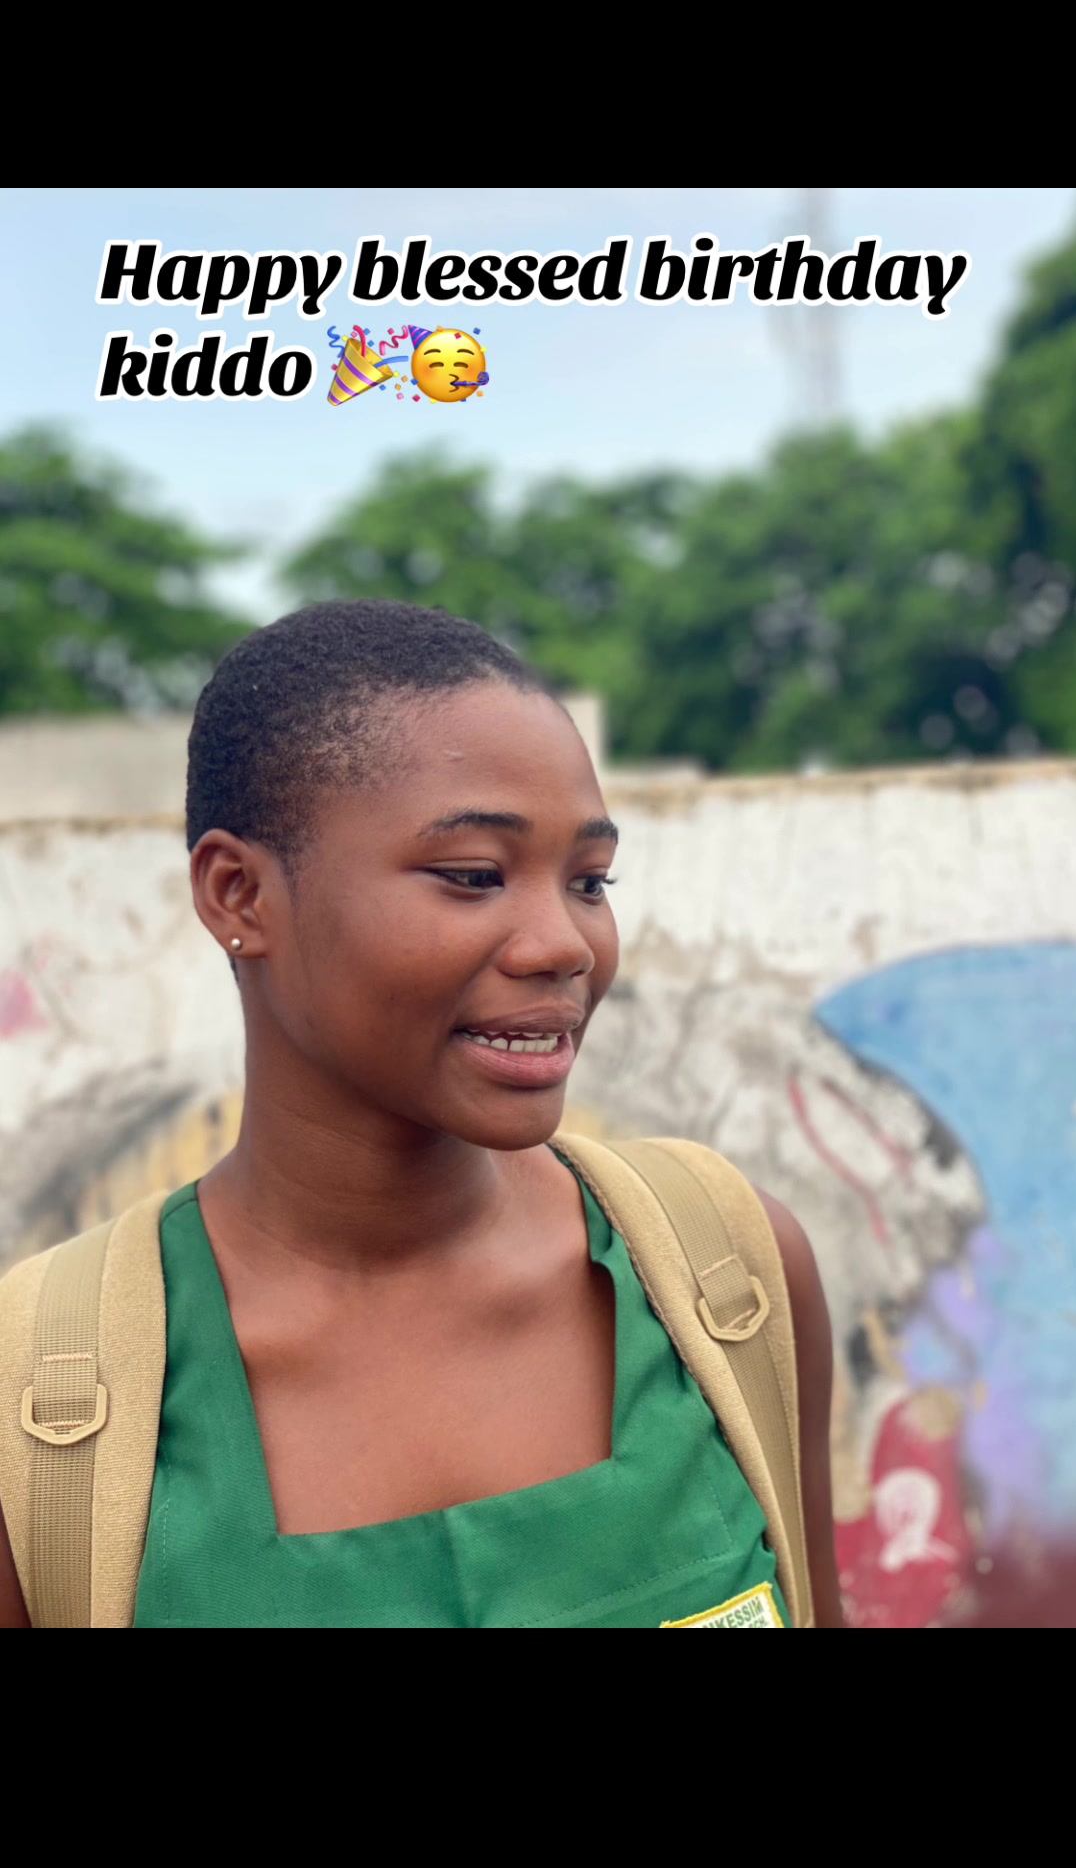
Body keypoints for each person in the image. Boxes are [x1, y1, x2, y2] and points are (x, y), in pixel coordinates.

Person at [0, 600, 843, 1628]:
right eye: (474, 876)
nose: (563, 943)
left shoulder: (727, 1278)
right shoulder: (44, 1410)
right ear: (238, 894)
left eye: (590, 881)